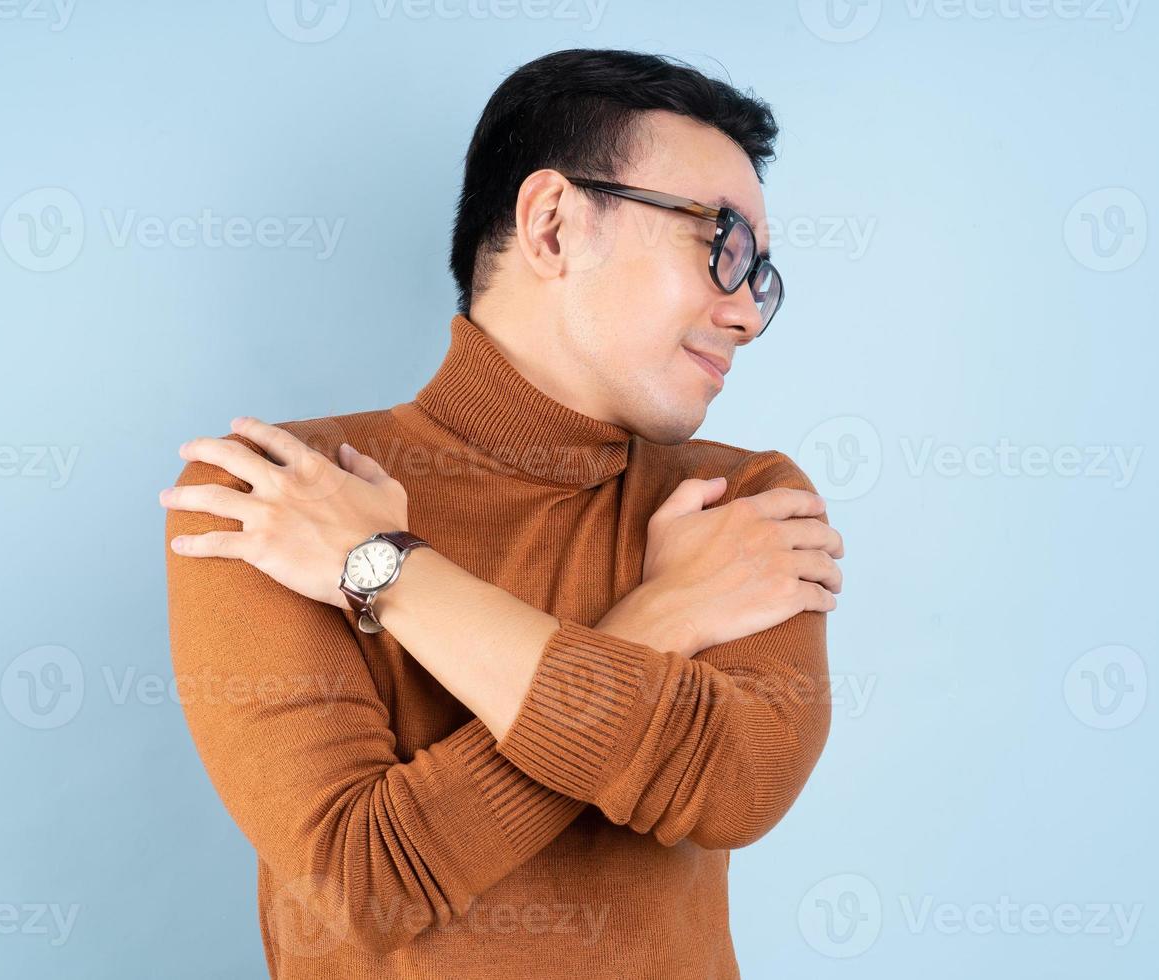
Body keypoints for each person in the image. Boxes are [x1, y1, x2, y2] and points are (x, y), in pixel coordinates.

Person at [161, 47, 845, 980]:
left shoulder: (747, 501)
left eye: (759, 275)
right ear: (553, 225)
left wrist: (383, 566)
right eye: (720, 242)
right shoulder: (280, 491)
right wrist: (660, 619)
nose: (746, 314)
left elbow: (737, 785)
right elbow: (365, 884)